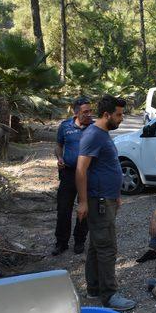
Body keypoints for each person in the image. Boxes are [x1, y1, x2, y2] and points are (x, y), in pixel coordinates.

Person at [76, 95, 136, 311]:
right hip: (99, 200)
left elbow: (106, 167)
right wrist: (83, 202)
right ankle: (109, 295)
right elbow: (81, 169)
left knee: (96, 245)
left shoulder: (103, 133)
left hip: (107, 198)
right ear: (106, 114)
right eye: (119, 115)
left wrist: (116, 194)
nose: (121, 118)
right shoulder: (93, 135)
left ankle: (93, 287)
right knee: (107, 247)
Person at [52, 97, 92, 256]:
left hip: (88, 174)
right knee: (63, 208)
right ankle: (61, 242)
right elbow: (58, 145)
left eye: (90, 111)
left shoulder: (94, 127)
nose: (89, 114)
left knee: (84, 209)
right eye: (85, 112)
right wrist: (59, 158)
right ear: (76, 113)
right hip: (68, 173)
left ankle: (79, 240)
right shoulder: (65, 126)